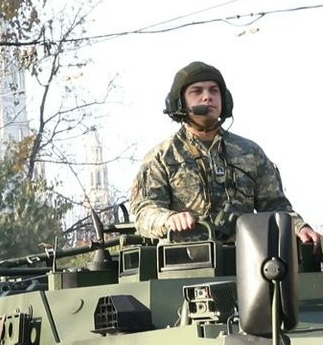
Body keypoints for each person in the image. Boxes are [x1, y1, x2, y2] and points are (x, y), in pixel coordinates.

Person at [130, 61, 308, 242]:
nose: (207, 97)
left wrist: (299, 228)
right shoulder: (161, 157)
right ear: (179, 102)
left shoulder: (250, 152)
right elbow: (144, 212)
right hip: (184, 263)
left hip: (247, 258)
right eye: (197, 91)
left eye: (214, 91)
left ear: (225, 100)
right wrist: (168, 219)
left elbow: (275, 206)